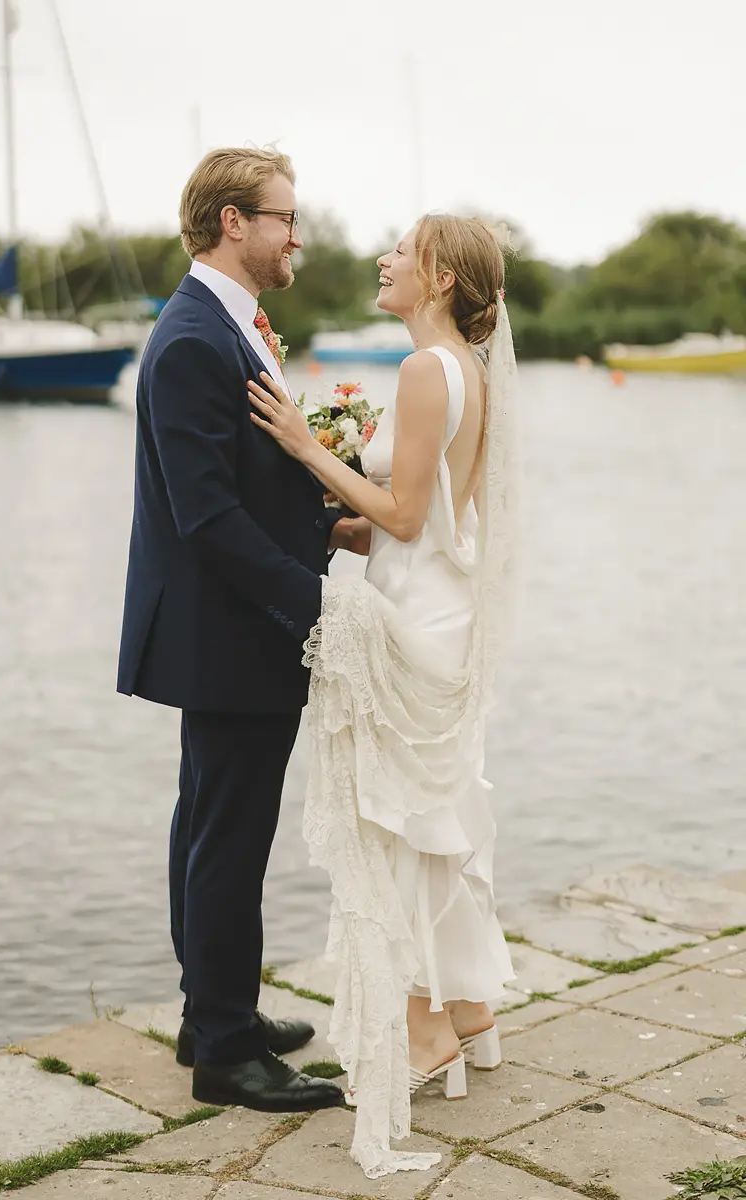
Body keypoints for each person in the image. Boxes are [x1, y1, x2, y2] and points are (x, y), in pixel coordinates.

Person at [247, 212, 519, 1174]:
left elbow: (403, 513)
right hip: (440, 602)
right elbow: (431, 514)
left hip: (416, 618)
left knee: (401, 824)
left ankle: (425, 1032)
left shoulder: (422, 370)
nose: (383, 258)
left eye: (400, 250)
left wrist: (304, 446)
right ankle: (470, 1009)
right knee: (436, 814)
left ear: (439, 277)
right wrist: (344, 523)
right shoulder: (469, 370)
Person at [117, 147, 367, 1113]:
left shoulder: (228, 327)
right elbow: (207, 516)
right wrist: (318, 602)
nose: (296, 236)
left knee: (207, 822)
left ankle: (210, 1013)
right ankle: (225, 1051)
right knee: (228, 837)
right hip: (231, 632)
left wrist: (327, 524)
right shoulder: (192, 339)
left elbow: (246, 488)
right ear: (234, 222)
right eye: (285, 218)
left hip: (230, 626)